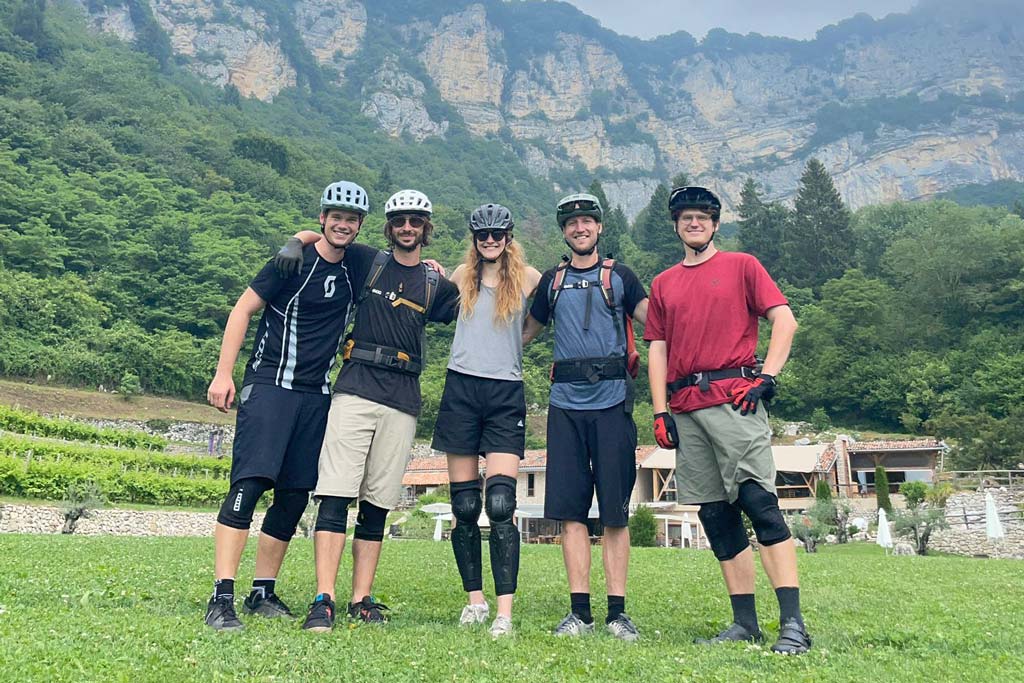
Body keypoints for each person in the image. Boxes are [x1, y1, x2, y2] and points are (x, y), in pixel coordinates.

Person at [203, 181, 378, 631]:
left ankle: (262, 590)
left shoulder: (357, 266)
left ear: (359, 226)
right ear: (322, 217)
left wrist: (433, 264)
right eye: (335, 216)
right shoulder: (291, 261)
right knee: (248, 485)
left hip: (317, 396)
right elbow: (242, 310)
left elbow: (402, 256)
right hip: (271, 387)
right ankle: (221, 597)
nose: (343, 224)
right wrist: (224, 373)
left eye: (352, 219)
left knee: (294, 496)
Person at [644, 186, 810, 654]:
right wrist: (660, 410)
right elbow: (658, 349)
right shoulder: (664, 283)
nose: (693, 223)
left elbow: (785, 320)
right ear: (676, 226)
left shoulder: (743, 266)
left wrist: (768, 377)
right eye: (685, 218)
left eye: (702, 217)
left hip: (736, 399)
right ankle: (745, 623)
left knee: (759, 504)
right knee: (716, 516)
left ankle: (793, 624)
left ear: (716, 224)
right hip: (687, 408)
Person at [299, 189, 460, 633]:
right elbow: (322, 237)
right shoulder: (365, 260)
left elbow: (470, 304)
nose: (407, 228)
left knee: (377, 504)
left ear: (426, 228)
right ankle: (323, 598)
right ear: (388, 227)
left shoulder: (436, 285)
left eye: (416, 222)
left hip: (403, 399)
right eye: (399, 221)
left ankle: (360, 598)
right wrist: (296, 239)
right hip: (354, 389)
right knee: (334, 495)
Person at [522, 193, 648, 641]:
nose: (580, 228)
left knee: (614, 513)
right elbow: (525, 333)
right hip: (565, 406)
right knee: (570, 512)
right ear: (564, 232)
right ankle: (580, 612)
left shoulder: (621, 277)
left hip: (613, 403)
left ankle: (617, 613)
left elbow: (657, 323)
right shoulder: (552, 282)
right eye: (572, 223)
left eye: (587, 222)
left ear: (599, 228)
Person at [432, 204, 542, 638]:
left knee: (500, 505)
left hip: (504, 392)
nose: (491, 241)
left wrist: (518, 341)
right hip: (461, 389)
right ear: (475, 239)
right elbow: (430, 297)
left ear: (509, 236)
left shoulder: (530, 278)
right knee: (464, 507)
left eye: (498, 234)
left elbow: (544, 316)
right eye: (484, 235)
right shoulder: (463, 275)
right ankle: (474, 602)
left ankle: (504, 613)